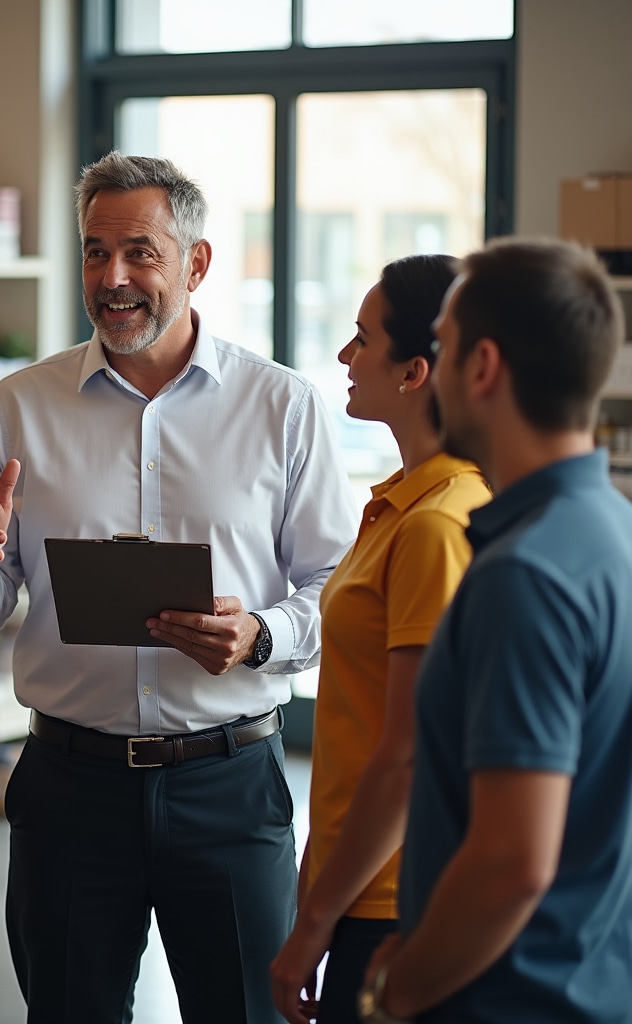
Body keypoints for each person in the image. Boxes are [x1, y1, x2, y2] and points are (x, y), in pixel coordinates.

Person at [0, 151, 358, 1024]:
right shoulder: (18, 408)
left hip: (229, 786)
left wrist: (262, 635)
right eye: (93, 252)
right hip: (69, 788)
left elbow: (337, 595)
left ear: (195, 264)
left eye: (139, 253)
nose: (111, 278)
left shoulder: (283, 408)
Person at [357, 238, 632, 1024]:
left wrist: (398, 991)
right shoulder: (611, 530)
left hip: (509, 998)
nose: (429, 372)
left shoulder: (527, 575)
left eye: (440, 349)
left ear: (480, 369)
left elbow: (512, 861)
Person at [270, 255, 492, 1024]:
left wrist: (313, 924)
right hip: (363, 882)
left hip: (396, 898)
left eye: (362, 339)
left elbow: (407, 755)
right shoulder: (402, 505)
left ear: (415, 373)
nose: (344, 357)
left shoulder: (435, 525)